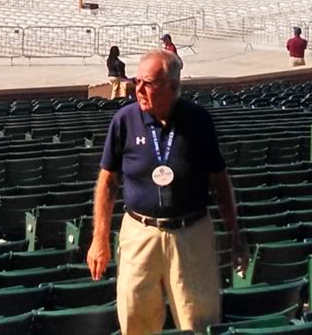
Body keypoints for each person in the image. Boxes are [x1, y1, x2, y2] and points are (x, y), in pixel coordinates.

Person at [87, 50, 246, 335]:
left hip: (191, 233)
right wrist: (99, 238)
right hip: (139, 232)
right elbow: (107, 181)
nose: (138, 88)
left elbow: (219, 180)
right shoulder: (124, 120)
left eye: (146, 83)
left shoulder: (198, 121)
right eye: (137, 81)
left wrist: (235, 233)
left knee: (198, 320)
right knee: (135, 318)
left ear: (172, 87)